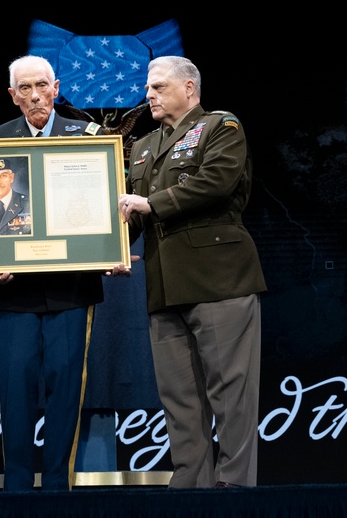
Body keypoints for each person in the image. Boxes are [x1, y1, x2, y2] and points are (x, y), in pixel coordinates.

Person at [116, 55, 267, 489]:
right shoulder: (143, 146)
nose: (149, 95)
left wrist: (151, 205)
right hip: (165, 286)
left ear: (189, 88)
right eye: (147, 88)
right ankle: (190, 485)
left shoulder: (221, 127)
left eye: (159, 87)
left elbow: (215, 181)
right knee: (179, 398)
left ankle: (234, 486)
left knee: (230, 394)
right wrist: (112, 248)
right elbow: (134, 214)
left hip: (218, 278)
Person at [0, 54, 102, 491]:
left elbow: (104, 206)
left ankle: (57, 491)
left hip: (71, 288)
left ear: (56, 87)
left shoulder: (88, 137)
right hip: (14, 291)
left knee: (65, 390)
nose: (35, 95)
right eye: (25, 89)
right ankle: (16, 491)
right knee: (15, 394)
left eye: (42, 86)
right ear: (13, 96)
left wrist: (111, 247)